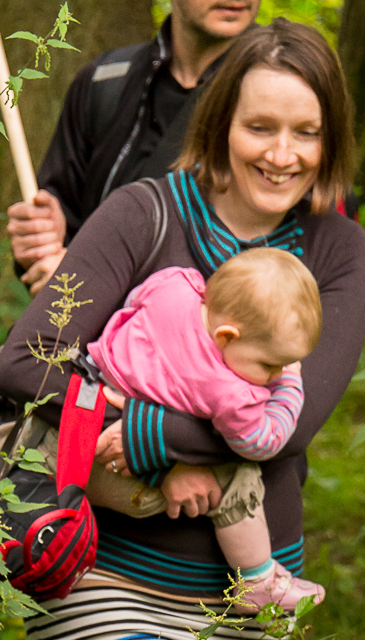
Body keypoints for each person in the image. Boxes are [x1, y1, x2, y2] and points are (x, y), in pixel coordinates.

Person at [0, 19, 365, 639]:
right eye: (260, 128)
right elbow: (28, 360)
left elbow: (288, 429)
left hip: (254, 592)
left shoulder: (340, 250)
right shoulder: (142, 214)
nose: (284, 156)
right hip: (106, 574)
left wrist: (153, 430)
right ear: (220, 121)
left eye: (307, 133)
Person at [7, 0, 279, 295]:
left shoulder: (286, 96)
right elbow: (53, 260)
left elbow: (293, 284)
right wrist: (44, 239)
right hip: (82, 356)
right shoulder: (105, 85)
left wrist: (83, 281)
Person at [86, 249, 326, 613]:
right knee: (238, 476)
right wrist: (291, 385)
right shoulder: (230, 394)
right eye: (270, 363)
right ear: (227, 336)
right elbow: (262, 443)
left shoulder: (174, 284)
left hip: (83, 409)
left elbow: (136, 298)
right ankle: (256, 582)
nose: (276, 374)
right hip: (110, 463)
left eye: (283, 366)